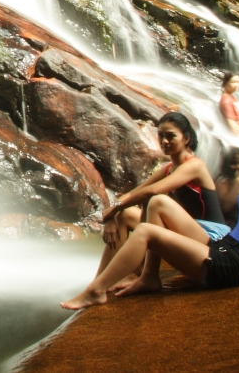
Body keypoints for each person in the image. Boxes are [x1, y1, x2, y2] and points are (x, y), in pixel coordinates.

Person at [61, 120, 239, 309]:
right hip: (225, 244)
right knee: (158, 202)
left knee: (147, 231)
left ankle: (97, 289)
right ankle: (149, 277)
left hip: (234, 265)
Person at [94, 112, 229, 285]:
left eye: (171, 136)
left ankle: (144, 275)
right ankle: (102, 280)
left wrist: (115, 208)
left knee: (154, 202)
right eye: (161, 136)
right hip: (189, 229)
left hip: (212, 236)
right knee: (125, 214)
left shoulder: (195, 165)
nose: (164, 141)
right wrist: (113, 215)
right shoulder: (169, 169)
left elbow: (152, 190)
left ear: (186, 139)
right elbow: (133, 194)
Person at [215, 146, 239, 227]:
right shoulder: (223, 182)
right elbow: (225, 207)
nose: (238, 167)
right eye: (234, 163)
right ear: (227, 165)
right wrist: (238, 180)